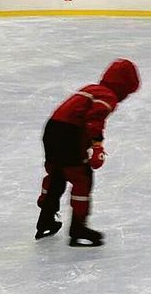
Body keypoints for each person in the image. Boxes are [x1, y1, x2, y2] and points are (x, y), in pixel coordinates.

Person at [34, 59, 140, 247]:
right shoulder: (108, 96)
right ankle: (78, 228)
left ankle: (46, 219)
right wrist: (98, 146)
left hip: (51, 130)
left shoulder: (91, 89)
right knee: (82, 178)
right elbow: (94, 119)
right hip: (69, 134)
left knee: (57, 174)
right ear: (124, 86)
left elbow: (77, 114)